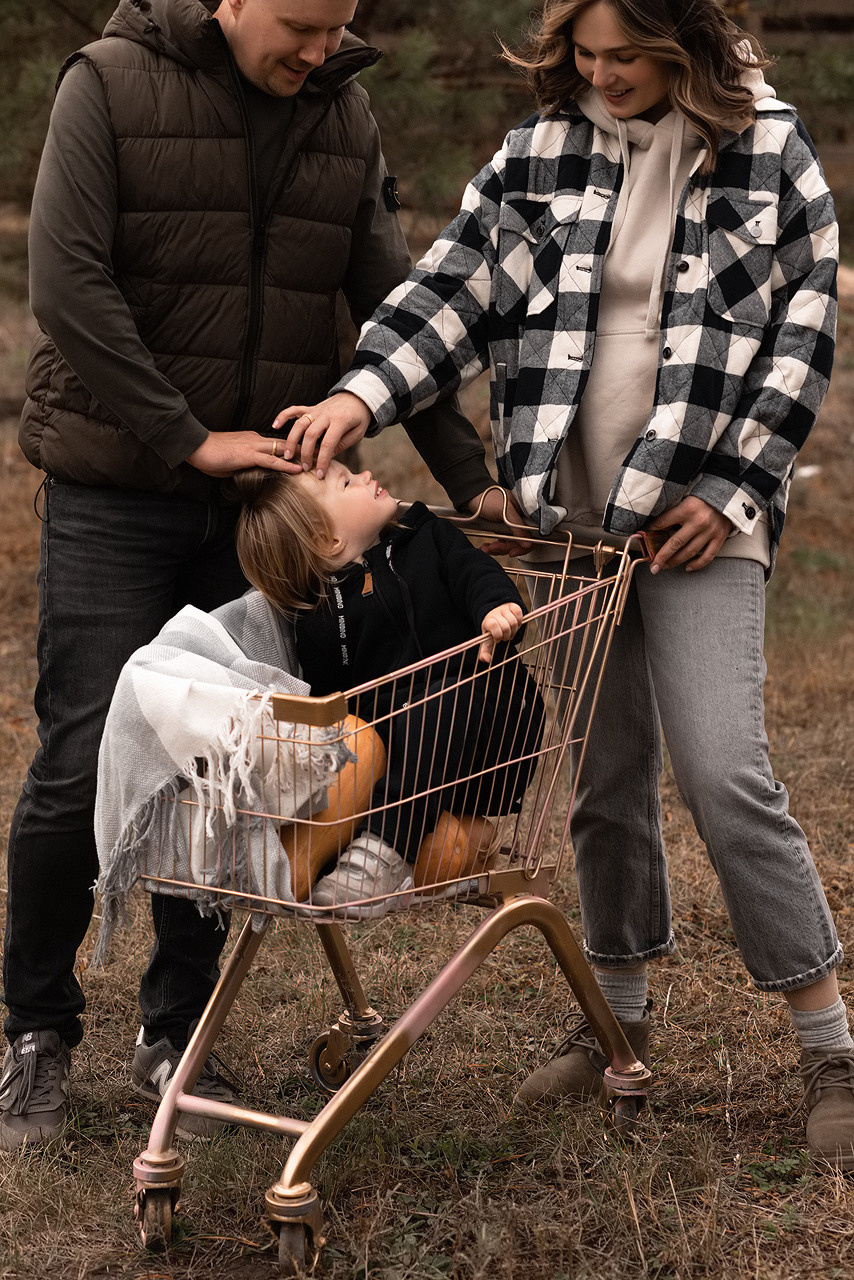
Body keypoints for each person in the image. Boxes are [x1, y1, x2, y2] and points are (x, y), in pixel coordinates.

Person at [270, 0, 851, 1166]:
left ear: (679, 39)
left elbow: (801, 337)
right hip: (567, 528)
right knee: (603, 773)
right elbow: (450, 290)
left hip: (692, 521)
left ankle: (826, 1042)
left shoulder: (767, 153)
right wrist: (360, 394)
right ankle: (615, 1026)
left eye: (623, 56)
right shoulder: (541, 151)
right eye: (583, 57)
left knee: (725, 770)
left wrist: (734, 488)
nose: (601, 76)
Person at [0, 0, 497, 1150]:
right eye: (300, 24)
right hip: (120, 492)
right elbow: (68, 286)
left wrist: (466, 472)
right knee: (84, 758)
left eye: (339, 27)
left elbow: (393, 310)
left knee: (233, 775)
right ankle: (35, 1026)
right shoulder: (109, 83)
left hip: (266, 515)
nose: (320, 51)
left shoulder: (343, 113)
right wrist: (187, 436)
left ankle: (175, 1029)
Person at [231, 461, 545, 915]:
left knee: (443, 696)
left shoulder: (425, 535)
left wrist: (496, 608)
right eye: (346, 482)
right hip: (409, 764)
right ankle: (413, 842)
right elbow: (335, 706)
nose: (364, 474)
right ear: (328, 541)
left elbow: (474, 570)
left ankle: (386, 845)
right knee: (354, 735)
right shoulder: (318, 620)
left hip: (490, 720)